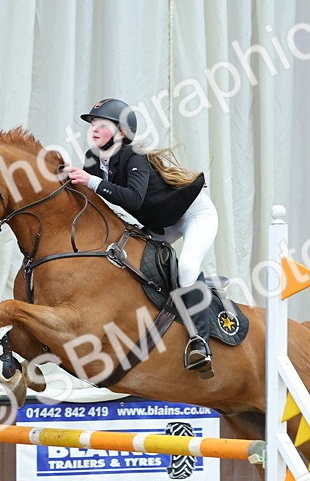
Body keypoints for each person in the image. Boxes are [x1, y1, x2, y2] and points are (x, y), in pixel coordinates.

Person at [63, 98, 219, 377]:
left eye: (102, 124)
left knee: (186, 266)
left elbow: (134, 200)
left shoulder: (134, 156)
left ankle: (200, 342)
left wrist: (92, 182)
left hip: (195, 215)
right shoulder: (92, 158)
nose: (94, 129)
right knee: (123, 260)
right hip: (161, 225)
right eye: (92, 124)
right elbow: (79, 190)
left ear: (121, 133)